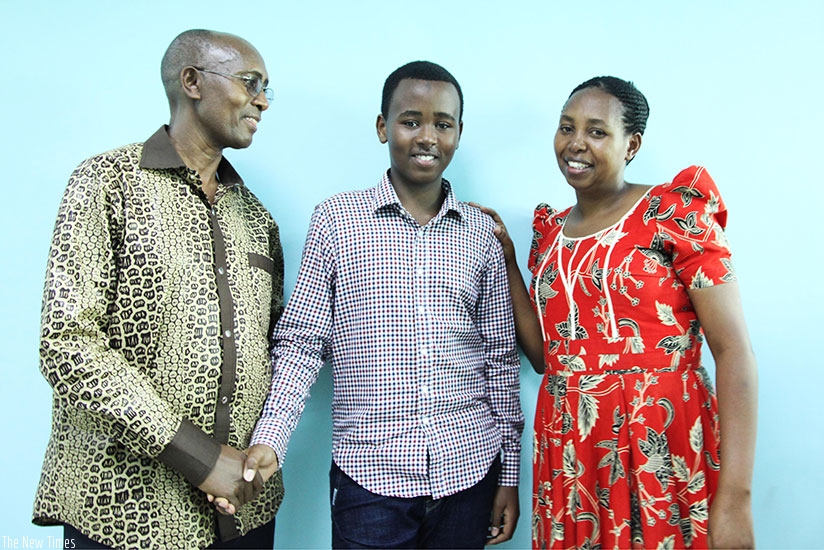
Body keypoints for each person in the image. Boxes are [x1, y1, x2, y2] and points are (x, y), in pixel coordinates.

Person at [234, 60, 524, 548]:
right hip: (370, 479)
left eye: (443, 123)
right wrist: (270, 441)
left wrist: (509, 474)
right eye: (411, 121)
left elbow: (499, 356)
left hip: (469, 470)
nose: (427, 136)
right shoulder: (337, 221)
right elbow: (302, 344)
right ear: (382, 126)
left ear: (458, 133)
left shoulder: (481, 235)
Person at [474, 76, 758, 549]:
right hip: (572, 449)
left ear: (633, 144)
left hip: (661, 447)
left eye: (597, 131)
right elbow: (552, 359)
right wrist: (507, 259)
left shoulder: (673, 213)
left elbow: (734, 352)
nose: (576, 143)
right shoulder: (550, 233)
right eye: (567, 128)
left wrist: (735, 500)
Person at [32, 29, 285, 549]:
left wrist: (260, 452)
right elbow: (65, 345)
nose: (262, 99)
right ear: (191, 81)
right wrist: (200, 458)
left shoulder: (257, 219)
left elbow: (277, 346)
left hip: (244, 513)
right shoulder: (106, 182)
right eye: (249, 81)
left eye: (267, 88)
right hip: (126, 511)